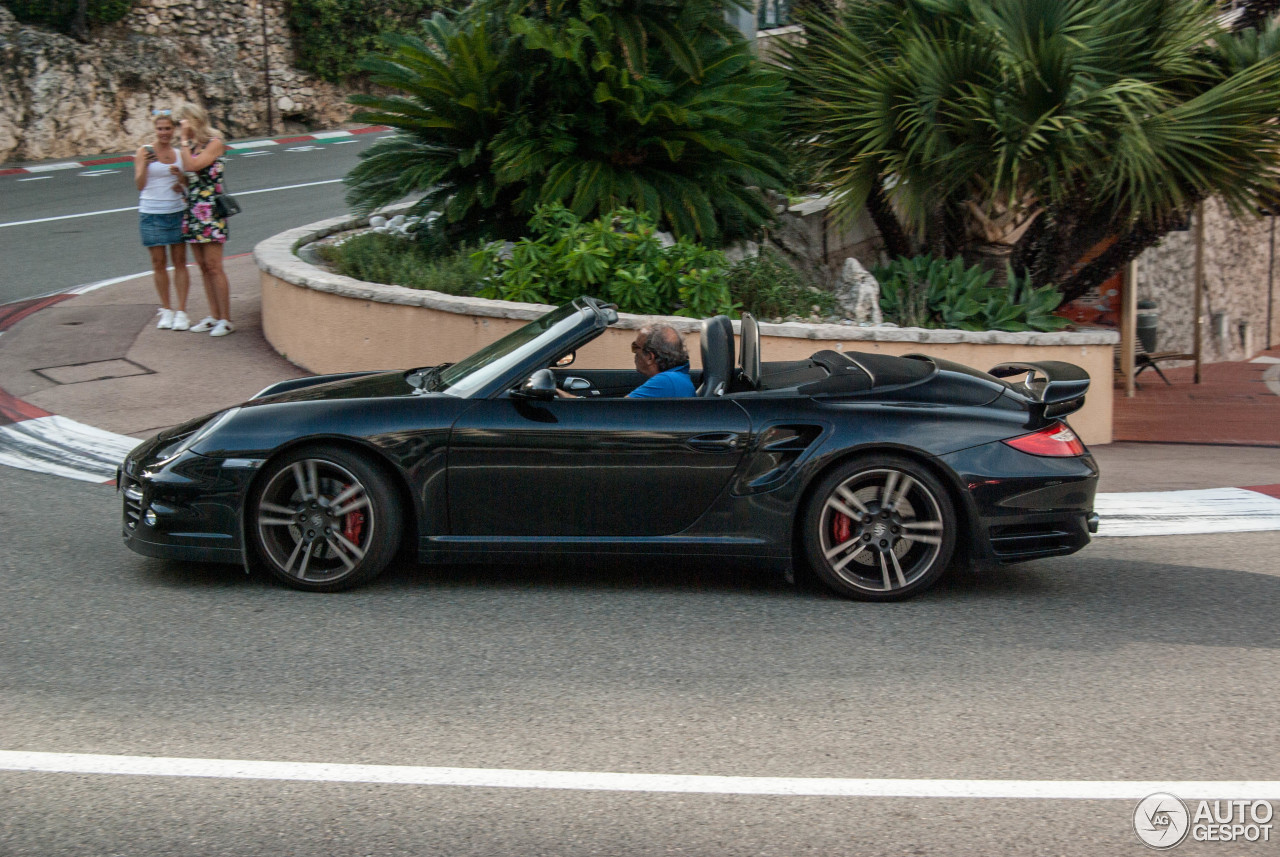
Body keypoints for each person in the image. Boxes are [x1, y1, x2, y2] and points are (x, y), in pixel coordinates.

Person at [174, 103, 233, 337]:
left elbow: (193, 165)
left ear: (193, 120)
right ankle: (214, 315)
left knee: (215, 266)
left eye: (182, 122)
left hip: (210, 210)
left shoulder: (214, 143)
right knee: (203, 267)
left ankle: (227, 319)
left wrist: (184, 141)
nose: (180, 127)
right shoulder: (193, 146)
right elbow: (191, 175)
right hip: (194, 208)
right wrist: (180, 179)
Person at [133, 109, 190, 331]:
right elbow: (139, 184)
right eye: (160, 129)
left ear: (173, 130)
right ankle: (166, 309)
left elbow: (187, 183)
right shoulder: (144, 152)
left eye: (167, 128)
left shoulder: (178, 153)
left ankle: (182, 311)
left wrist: (180, 178)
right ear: (154, 130)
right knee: (158, 262)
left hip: (176, 210)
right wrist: (145, 165)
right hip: (151, 211)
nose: (164, 132)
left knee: (180, 262)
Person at [626, 324, 696, 398]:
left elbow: (619, 408)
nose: (634, 352)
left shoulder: (666, 381)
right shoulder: (677, 378)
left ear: (650, 357)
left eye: (635, 347)